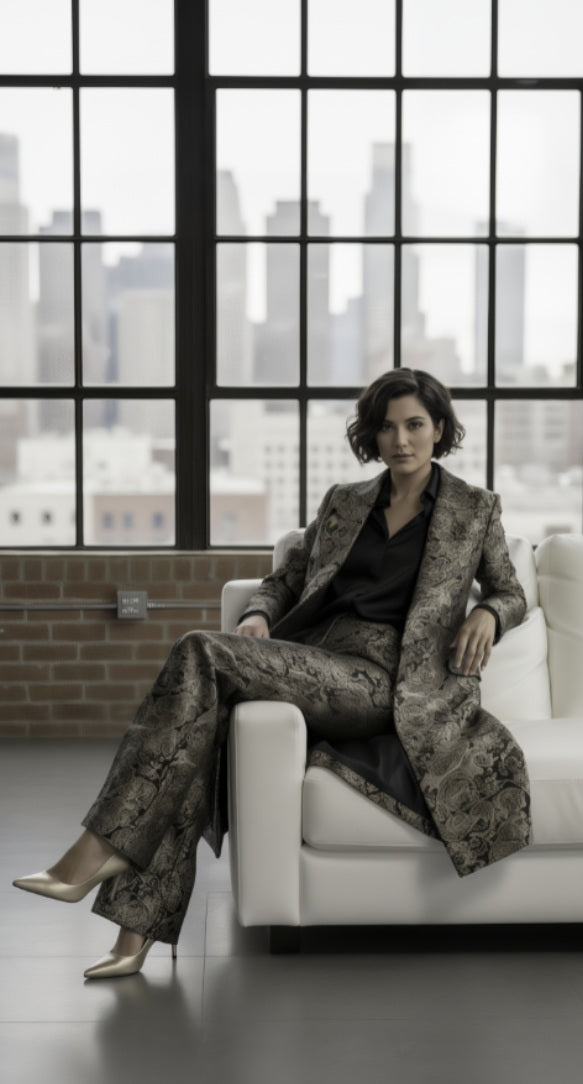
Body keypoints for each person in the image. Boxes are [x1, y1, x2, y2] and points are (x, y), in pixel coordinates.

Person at [13, 369, 530, 978]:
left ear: (439, 429)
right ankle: (136, 935)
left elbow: (510, 589)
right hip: (314, 655)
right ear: (372, 434)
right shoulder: (345, 502)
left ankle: (95, 850)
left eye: (416, 425)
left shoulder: (474, 508)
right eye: (387, 427)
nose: (401, 440)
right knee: (200, 727)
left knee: (199, 649)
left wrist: (490, 615)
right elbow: (286, 578)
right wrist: (259, 614)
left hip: (386, 678)